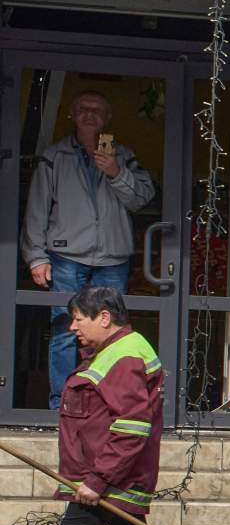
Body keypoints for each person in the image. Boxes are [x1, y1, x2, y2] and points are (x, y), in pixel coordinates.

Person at [3, 286, 194, 525]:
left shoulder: (122, 357)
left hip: (113, 476)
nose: (73, 326)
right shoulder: (117, 350)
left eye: (79, 318)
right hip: (117, 473)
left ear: (104, 317)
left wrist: (96, 480)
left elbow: (132, 426)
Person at [23, 90, 156, 410]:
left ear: (108, 118)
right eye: (83, 108)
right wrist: (36, 256)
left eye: (97, 110)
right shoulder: (54, 157)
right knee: (66, 331)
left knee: (108, 333)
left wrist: (115, 172)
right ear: (72, 114)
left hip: (112, 258)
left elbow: (142, 198)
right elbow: (37, 209)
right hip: (66, 256)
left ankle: (100, 402)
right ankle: (62, 405)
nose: (90, 114)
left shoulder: (123, 155)